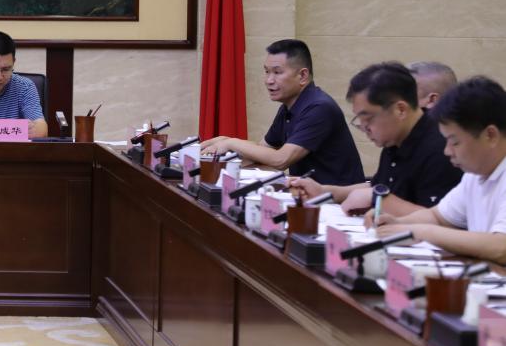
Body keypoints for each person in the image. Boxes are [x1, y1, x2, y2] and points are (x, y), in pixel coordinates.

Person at [290, 62, 461, 217]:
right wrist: (324, 192)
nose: (364, 128)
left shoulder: (441, 147)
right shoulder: (395, 138)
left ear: (400, 110)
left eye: (368, 118)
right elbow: (379, 187)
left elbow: (442, 219)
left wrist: (378, 199)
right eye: (359, 119)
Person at [375, 76, 506, 263]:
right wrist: (397, 223)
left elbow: (501, 247)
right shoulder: (475, 175)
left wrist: (421, 231)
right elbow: (437, 216)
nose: (447, 151)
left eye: (455, 142)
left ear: (490, 135)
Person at [201, 39, 363, 186]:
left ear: (303, 76)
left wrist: (231, 143)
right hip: (304, 195)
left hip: (337, 201)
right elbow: (262, 150)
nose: (269, 80)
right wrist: (219, 145)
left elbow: (280, 160)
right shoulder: (289, 106)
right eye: (267, 72)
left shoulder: (319, 108)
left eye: (277, 72)